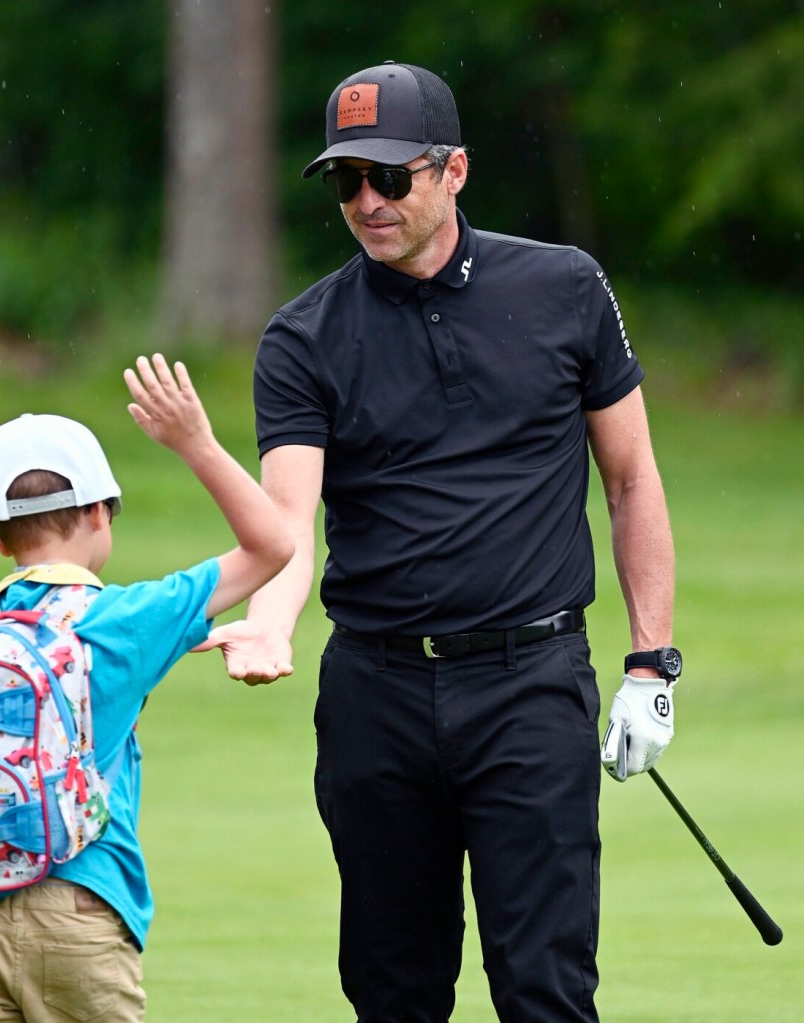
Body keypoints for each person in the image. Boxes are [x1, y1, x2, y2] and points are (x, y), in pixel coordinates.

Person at [206, 61, 679, 1023]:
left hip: (530, 683)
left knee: (545, 988)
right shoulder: (304, 337)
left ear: (453, 170)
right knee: (393, 991)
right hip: (376, 694)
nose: (368, 202)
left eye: (390, 177)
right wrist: (270, 621)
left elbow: (630, 479)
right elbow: (289, 520)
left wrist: (649, 663)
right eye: (346, 181)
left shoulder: (564, 287)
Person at [0, 353, 293, 1023]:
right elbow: (273, 543)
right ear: (101, 512)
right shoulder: (123, 619)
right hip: (80, 909)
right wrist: (194, 442)